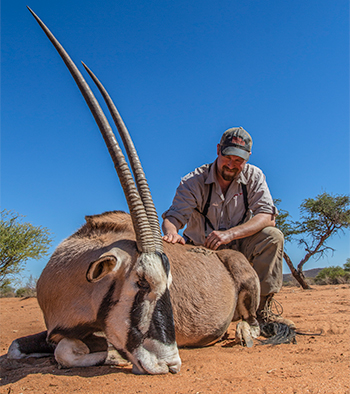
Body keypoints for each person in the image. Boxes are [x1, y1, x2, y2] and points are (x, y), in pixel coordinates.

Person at [162, 127, 284, 322]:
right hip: (201, 251)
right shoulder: (193, 181)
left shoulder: (254, 176)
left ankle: (261, 311)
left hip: (240, 246)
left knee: (273, 236)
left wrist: (231, 234)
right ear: (218, 150)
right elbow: (173, 218)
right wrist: (172, 233)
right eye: (228, 157)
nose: (231, 164)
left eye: (239, 160)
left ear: (248, 157)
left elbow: (267, 216)